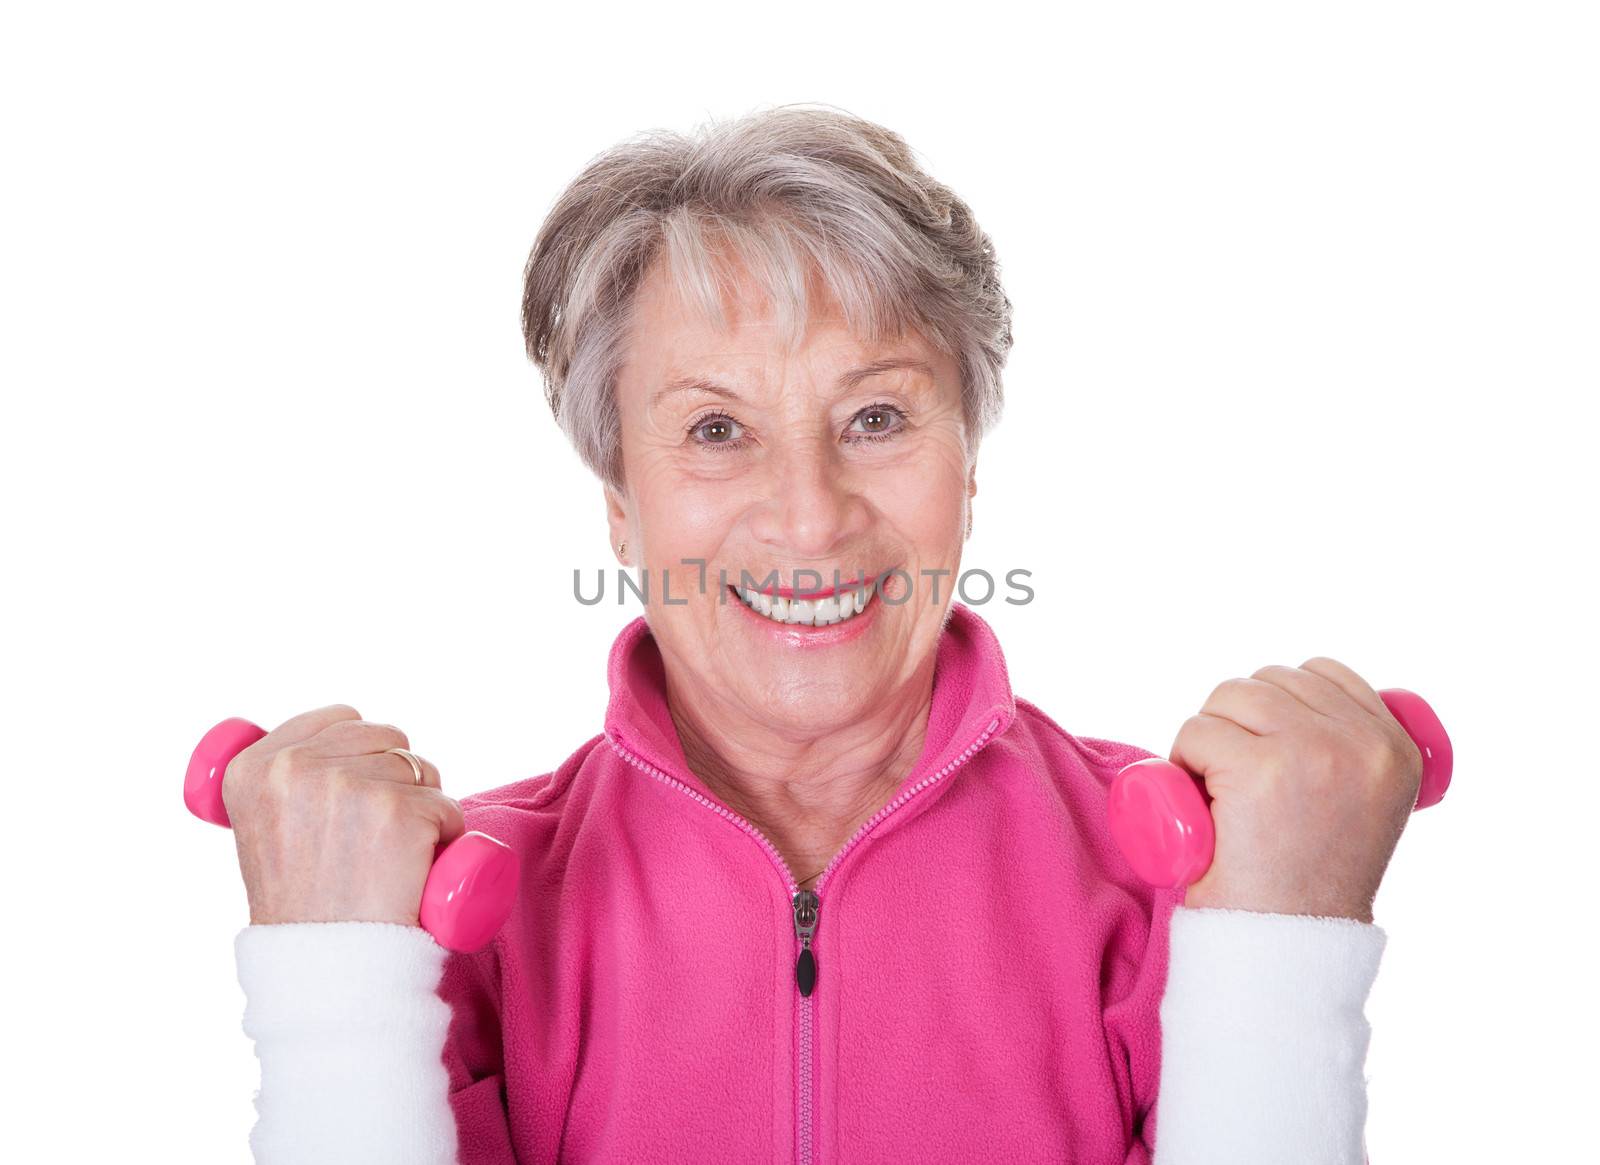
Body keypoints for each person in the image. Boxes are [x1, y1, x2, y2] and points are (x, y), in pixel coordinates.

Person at [227, 104, 1419, 1164]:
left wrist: (1280, 954)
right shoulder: (446, 928)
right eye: (713, 430)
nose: (809, 513)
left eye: (878, 415)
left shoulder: (1184, 890)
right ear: (621, 509)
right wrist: (334, 994)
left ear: (967, 469)